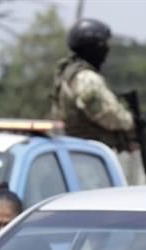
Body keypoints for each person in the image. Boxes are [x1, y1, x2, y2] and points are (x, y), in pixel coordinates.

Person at [51, 18, 135, 153]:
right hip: (88, 153)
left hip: (77, 149)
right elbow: (106, 114)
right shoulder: (87, 79)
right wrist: (131, 122)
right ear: (94, 47)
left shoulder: (69, 74)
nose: (107, 50)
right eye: (103, 45)